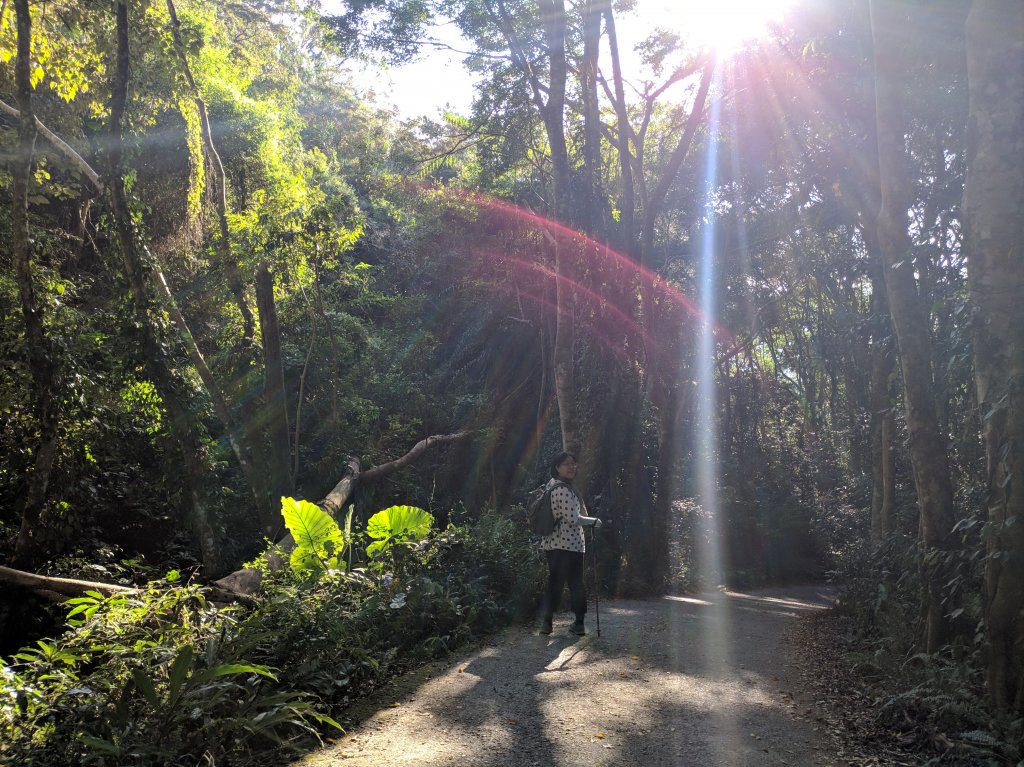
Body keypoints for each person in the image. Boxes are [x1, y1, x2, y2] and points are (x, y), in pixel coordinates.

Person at [538, 451, 602, 636]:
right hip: (568, 545)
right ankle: (579, 623)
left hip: (554, 544)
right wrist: (594, 521)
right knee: (575, 584)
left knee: (555, 583)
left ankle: (547, 623)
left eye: (573, 463)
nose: (571, 467)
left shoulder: (553, 485)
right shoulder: (562, 489)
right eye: (566, 464)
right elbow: (573, 518)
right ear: (557, 467)